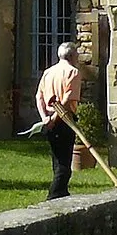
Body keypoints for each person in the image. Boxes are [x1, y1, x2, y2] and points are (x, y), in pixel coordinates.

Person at [35, 41, 83, 199]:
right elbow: (68, 98)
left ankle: (62, 192)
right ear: (72, 56)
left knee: (56, 158)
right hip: (64, 119)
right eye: (76, 54)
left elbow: (39, 96)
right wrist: (55, 118)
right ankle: (55, 194)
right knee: (64, 161)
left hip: (50, 119)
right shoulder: (73, 72)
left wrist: (45, 118)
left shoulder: (48, 72)